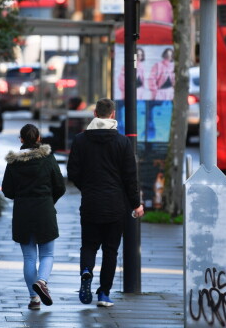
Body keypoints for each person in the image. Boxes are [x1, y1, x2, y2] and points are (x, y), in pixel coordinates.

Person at [67, 98, 144, 308]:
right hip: (115, 205)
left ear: (94, 113)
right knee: (110, 250)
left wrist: (87, 187)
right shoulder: (122, 142)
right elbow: (130, 177)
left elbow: (72, 171)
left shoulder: (81, 140)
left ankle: (86, 271)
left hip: (90, 202)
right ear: (112, 115)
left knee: (89, 245)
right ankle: (104, 294)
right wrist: (136, 204)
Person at [1, 124, 66, 310]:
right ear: (39, 139)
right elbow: (60, 186)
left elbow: (7, 189)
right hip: (44, 210)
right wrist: (48, 200)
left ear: (21, 140)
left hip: (23, 212)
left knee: (29, 258)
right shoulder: (48, 158)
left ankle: (34, 298)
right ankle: (42, 282)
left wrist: (21, 198)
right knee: (47, 254)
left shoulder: (14, 162)